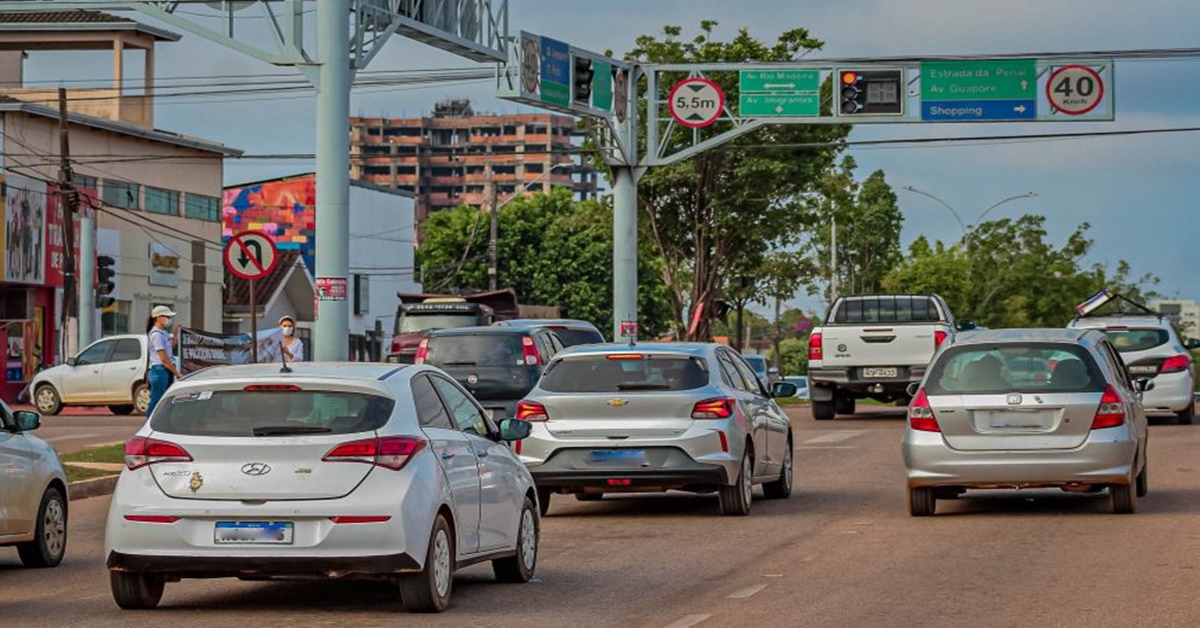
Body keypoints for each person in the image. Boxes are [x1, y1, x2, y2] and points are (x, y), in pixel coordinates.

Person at [146, 306, 181, 416]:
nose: (169, 319)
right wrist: (177, 373)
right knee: (157, 401)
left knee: (164, 401)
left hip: (165, 370)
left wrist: (176, 333)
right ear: (158, 318)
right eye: (166, 316)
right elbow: (164, 358)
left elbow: (171, 347)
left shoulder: (163, 333)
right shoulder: (156, 335)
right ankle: (149, 425)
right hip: (159, 371)